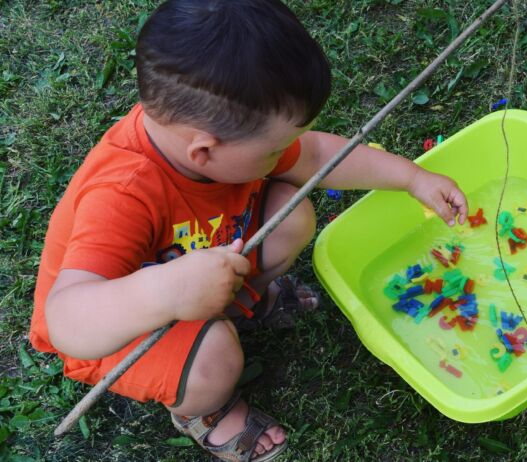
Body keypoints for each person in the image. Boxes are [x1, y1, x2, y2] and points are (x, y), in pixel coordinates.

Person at [29, 0, 468, 460]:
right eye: (275, 149)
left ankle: (239, 304)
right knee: (214, 360)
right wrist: (166, 291)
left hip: (199, 265)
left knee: (291, 215)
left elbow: (317, 157)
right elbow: (68, 324)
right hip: (116, 324)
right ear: (204, 151)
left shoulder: (209, 141)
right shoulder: (123, 193)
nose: (287, 154)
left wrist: (412, 179)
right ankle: (208, 410)